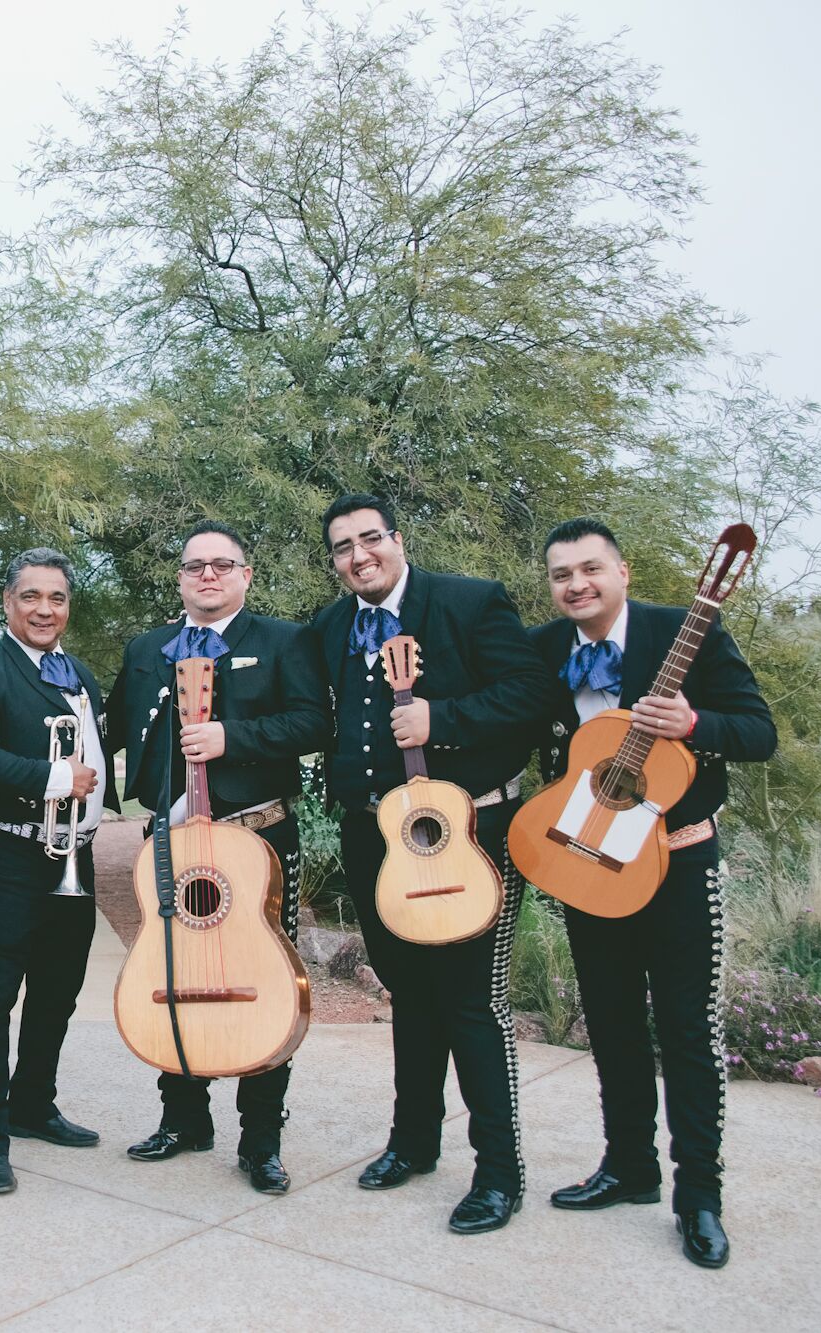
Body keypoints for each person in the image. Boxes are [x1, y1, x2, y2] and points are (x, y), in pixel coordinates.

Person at [530, 517, 777, 1269]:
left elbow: (760, 731)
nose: (577, 583)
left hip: (677, 863)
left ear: (623, 570)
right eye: (562, 574)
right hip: (590, 865)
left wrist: (696, 722)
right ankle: (629, 1164)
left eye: (590, 568)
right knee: (610, 1023)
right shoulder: (546, 650)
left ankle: (698, 1195)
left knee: (688, 1032)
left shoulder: (686, 632)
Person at [309, 493, 553, 1234]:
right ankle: (413, 1141)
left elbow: (531, 695)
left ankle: (499, 1173)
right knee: (410, 993)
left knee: (472, 1002)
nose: (360, 555)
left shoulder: (470, 603)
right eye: (343, 547)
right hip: (372, 836)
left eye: (370, 539)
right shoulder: (328, 626)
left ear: (397, 538)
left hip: (468, 829)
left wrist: (441, 718)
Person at [105, 520, 331, 1194]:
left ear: (245, 575)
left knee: (265, 976)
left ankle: (261, 1139)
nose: (208, 575)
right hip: (173, 840)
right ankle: (184, 1118)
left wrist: (232, 736)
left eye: (222, 564)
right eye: (195, 565)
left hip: (257, 838)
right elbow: (115, 723)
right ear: (180, 577)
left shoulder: (283, 640)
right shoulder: (149, 648)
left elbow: (314, 723)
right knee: (176, 965)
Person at [0, 548, 118, 1195]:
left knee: (58, 991)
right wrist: (54, 777)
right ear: (6, 601)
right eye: (31, 596)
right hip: (8, 857)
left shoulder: (80, 674)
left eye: (57, 598)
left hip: (74, 857)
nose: (45, 609)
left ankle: (34, 1103)